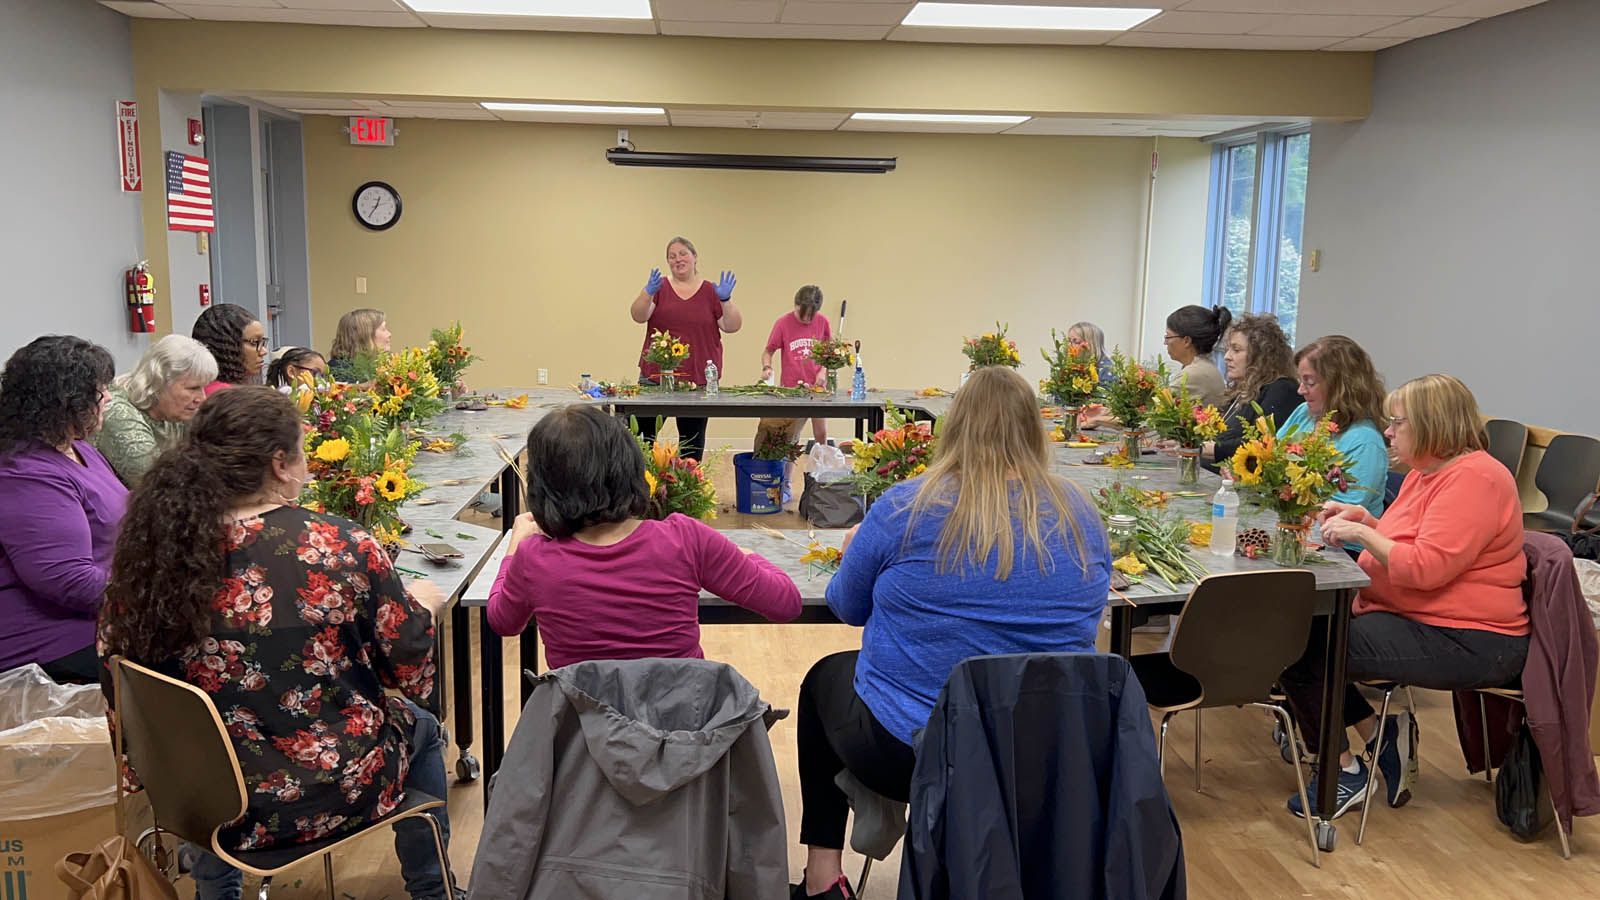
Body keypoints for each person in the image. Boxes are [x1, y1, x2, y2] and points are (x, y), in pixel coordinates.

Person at [96, 387, 460, 900]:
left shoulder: (149, 556)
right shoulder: (338, 546)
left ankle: (215, 892)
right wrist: (424, 606)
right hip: (320, 793)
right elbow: (409, 672)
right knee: (422, 724)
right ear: (280, 463)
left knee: (217, 744)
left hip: (197, 794)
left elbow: (117, 676)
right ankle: (433, 892)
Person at [792, 366, 1111, 899]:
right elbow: (1084, 616)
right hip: (1044, 754)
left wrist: (859, 548)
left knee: (823, 681)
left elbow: (847, 607)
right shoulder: (1080, 515)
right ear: (1035, 430)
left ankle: (823, 877)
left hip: (914, 750)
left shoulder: (905, 507)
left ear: (954, 426)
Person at [1280, 374, 1528, 822]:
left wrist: (1358, 533)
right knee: (1294, 634)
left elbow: (1425, 567)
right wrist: (1365, 520)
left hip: (1470, 639)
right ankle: (1379, 734)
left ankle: (1345, 772)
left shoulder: (1476, 479)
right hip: (1423, 619)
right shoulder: (1427, 470)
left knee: (1302, 650)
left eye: (1397, 422)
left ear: (1432, 424)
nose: (1389, 432)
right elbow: (1410, 540)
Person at [488, 405, 800, 667]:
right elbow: (786, 603)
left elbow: (503, 622)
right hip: (682, 729)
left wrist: (513, 551)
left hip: (587, 733)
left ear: (542, 488)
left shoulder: (534, 558)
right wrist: (747, 556)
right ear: (631, 466)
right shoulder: (685, 539)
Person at [0, 336, 125, 683]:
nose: (109, 399)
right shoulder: (24, 471)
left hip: (103, 618)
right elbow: (67, 580)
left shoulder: (81, 450)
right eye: (100, 391)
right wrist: (158, 591)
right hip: (53, 650)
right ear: (68, 403)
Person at [628, 236, 743, 460]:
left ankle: (688, 490)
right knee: (642, 442)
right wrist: (647, 292)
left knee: (692, 444)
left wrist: (726, 299)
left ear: (695, 257)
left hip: (698, 380)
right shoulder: (659, 287)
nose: (677, 259)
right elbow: (638, 316)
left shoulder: (711, 291)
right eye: (672, 256)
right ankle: (643, 490)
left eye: (683, 254)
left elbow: (732, 326)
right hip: (655, 377)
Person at [1277, 335, 1389, 521]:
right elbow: (1271, 462)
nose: (1301, 390)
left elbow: (1340, 515)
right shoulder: (1303, 413)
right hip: (1293, 526)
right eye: (1301, 381)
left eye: (1310, 382)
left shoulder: (1365, 442)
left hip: (1340, 546)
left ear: (1339, 386)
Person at [93, 334, 217, 488]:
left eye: (203, 387)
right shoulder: (118, 414)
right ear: (159, 382)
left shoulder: (175, 409)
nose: (202, 398)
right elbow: (159, 486)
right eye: (193, 388)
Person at [1203, 313, 1299, 471]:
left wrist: (1211, 449)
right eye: (1228, 350)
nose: (1227, 357)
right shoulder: (1239, 390)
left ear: (1261, 356)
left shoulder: (1282, 389)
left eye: (1236, 350)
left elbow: (1263, 442)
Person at [192, 303, 267, 396]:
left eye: (262, 342)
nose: (264, 351)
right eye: (254, 342)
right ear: (226, 346)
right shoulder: (221, 396)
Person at [1162, 305, 1230, 408]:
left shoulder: (1194, 374)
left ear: (1187, 341)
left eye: (1168, 337)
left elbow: (1157, 409)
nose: (1165, 342)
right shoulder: (1203, 366)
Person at [327, 308, 391, 382]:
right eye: (383, 329)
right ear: (365, 335)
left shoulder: (376, 366)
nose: (389, 334)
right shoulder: (339, 369)